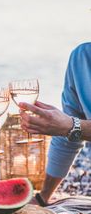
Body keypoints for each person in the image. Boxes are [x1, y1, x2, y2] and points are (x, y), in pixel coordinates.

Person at [19, 42, 91, 205]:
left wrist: (70, 126)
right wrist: (43, 197)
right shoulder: (81, 57)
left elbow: (70, 126)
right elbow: (68, 135)